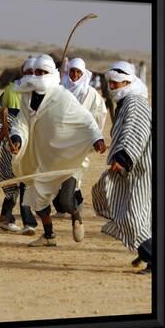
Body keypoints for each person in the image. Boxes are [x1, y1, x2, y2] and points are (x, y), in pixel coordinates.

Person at [9, 54, 107, 247]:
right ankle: (48, 236)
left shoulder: (62, 96)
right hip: (40, 158)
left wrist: (97, 138)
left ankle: (76, 215)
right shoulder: (26, 97)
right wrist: (17, 138)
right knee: (38, 201)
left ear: (51, 74)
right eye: (35, 72)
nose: (38, 76)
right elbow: (20, 122)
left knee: (66, 201)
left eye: (43, 72)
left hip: (65, 158)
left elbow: (86, 119)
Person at [92, 61, 152, 273]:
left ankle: (156, 259)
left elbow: (136, 132)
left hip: (139, 167)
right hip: (133, 168)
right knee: (132, 213)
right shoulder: (126, 102)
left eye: (116, 84)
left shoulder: (134, 102)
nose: (112, 87)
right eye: (111, 83)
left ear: (128, 81)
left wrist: (124, 158)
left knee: (132, 218)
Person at [53, 57, 108, 217]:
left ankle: (76, 204)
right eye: (72, 71)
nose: (75, 75)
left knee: (74, 174)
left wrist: (93, 136)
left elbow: (99, 114)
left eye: (78, 72)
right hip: (59, 139)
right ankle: (61, 208)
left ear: (83, 73)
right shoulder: (60, 88)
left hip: (79, 141)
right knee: (55, 174)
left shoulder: (90, 94)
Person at [0, 57, 38, 235]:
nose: (32, 76)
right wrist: (0, 129)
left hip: (33, 144)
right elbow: (0, 115)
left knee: (27, 181)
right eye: (28, 72)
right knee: (14, 181)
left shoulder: (45, 93)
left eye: (35, 73)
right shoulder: (11, 91)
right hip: (11, 144)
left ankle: (10, 217)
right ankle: (22, 221)